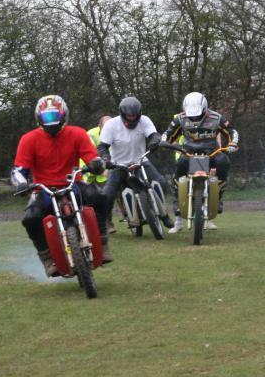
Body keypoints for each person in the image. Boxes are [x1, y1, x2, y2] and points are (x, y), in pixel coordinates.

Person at [11, 95, 111, 277]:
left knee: (100, 197)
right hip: (44, 189)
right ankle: (47, 257)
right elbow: (19, 169)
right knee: (30, 218)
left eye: (55, 116)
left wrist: (97, 164)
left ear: (64, 115)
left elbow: (91, 156)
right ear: (39, 118)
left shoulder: (77, 133)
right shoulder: (29, 139)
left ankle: (103, 243)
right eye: (47, 117)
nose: (52, 122)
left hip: (73, 184)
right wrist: (20, 183)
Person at [162, 92, 239, 232]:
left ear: (205, 108)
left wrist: (233, 144)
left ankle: (218, 197)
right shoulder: (180, 119)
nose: (195, 118)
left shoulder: (217, 118)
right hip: (188, 153)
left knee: (224, 161)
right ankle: (178, 214)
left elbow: (231, 131)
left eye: (198, 115)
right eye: (192, 116)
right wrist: (164, 142)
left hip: (212, 153)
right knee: (177, 176)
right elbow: (169, 134)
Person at [98, 97, 173, 229]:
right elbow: (102, 147)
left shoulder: (145, 120)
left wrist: (154, 141)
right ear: (122, 113)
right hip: (118, 165)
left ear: (139, 113)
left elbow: (153, 135)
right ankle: (103, 224)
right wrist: (106, 160)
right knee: (107, 195)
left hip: (141, 161)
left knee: (161, 182)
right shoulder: (111, 125)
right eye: (129, 116)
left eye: (134, 115)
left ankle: (163, 214)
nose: (131, 118)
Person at [84, 114, 115, 231]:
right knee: (96, 197)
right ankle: (102, 223)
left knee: (111, 192)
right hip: (89, 170)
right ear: (99, 126)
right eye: (106, 127)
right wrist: (102, 170)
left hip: (107, 168)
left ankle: (109, 222)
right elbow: (90, 155)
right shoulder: (90, 135)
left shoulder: (117, 132)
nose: (109, 129)